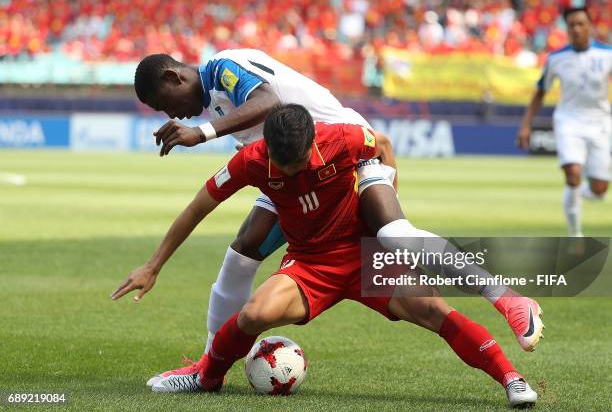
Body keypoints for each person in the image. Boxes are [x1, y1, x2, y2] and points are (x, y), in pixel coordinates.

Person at [112, 104, 538, 408]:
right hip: (311, 263)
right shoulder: (252, 161)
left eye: (297, 163)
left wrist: (386, 196)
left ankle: (511, 379)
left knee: (432, 310)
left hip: (367, 255)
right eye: (282, 164)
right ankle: (207, 376)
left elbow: (382, 145)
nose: (291, 172)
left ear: (314, 141)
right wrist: (154, 264)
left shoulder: (347, 138)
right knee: (255, 314)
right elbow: (198, 206)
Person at [134, 49, 543, 354]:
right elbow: (204, 199)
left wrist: (202, 133)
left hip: (349, 152)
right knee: (242, 251)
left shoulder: (222, 68)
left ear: (173, 76)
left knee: (396, 235)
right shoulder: (217, 99)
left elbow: (269, 103)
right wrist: (153, 265)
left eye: (164, 102)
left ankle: (509, 300)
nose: (173, 114)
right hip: (291, 169)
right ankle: (211, 360)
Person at [518, 7, 611, 237]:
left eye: (581, 24)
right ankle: (575, 235)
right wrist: (526, 125)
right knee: (573, 173)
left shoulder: (607, 54)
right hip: (569, 121)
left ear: (590, 26)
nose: (576, 29)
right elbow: (540, 93)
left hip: (600, 122)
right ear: (567, 29)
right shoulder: (556, 58)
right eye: (572, 25)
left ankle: (586, 192)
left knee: (600, 189)